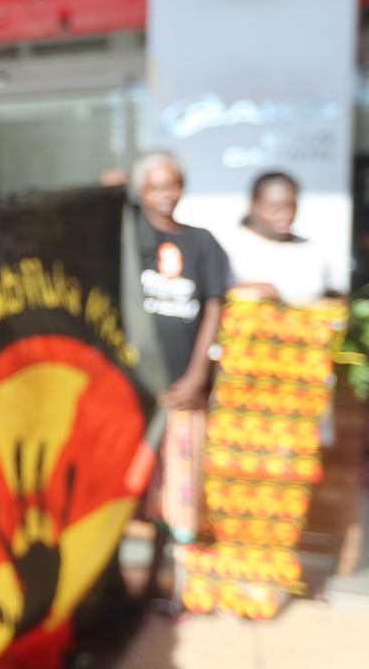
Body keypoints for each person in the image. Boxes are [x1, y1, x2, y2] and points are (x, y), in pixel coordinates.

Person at [131, 151, 229, 603]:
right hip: (135, 394)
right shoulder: (128, 239)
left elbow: (213, 306)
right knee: (133, 491)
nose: (165, 194)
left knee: (178, 492)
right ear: (139, 191)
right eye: (155, 187)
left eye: (172, 184)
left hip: (183, 394)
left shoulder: (202, 243)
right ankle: (125, 584)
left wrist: (195, 376)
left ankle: (166, 581)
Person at [219, 171, 338, 304]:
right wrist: (241, 289)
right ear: (253, 205)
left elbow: (331, 294)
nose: (285, 214)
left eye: (291, 206)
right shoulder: (229, 245)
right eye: (275, 207)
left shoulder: (312, 248)